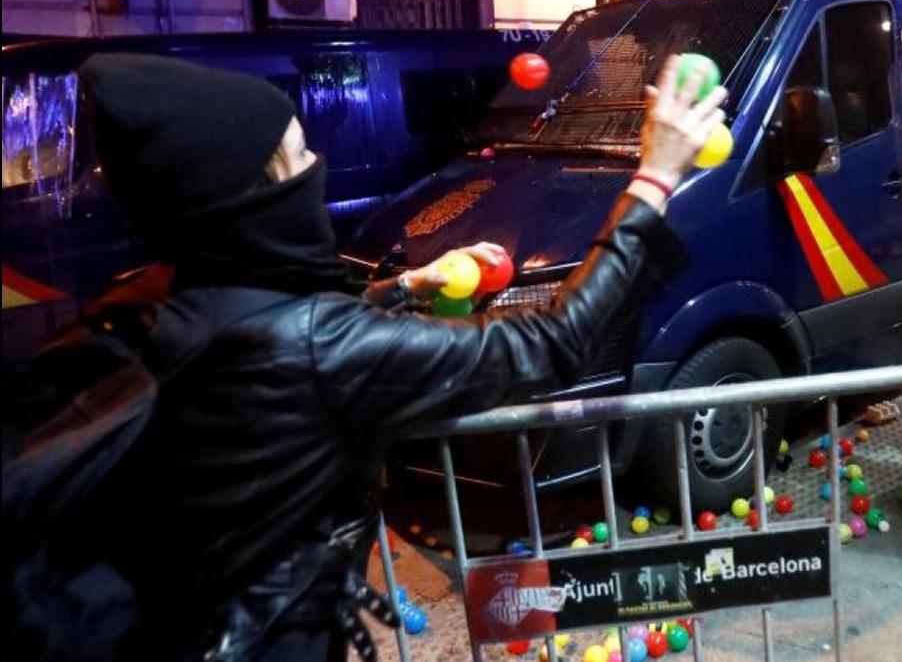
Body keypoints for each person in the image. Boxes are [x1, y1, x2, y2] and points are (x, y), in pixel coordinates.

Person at [11, 52, 726, 662]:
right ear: (255, 193)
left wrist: (408, 285)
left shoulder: (151, 299)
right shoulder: (317, 347)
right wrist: (654, 178)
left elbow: (277, 310)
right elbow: (553, 345)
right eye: (298, 153)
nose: (317, 164)